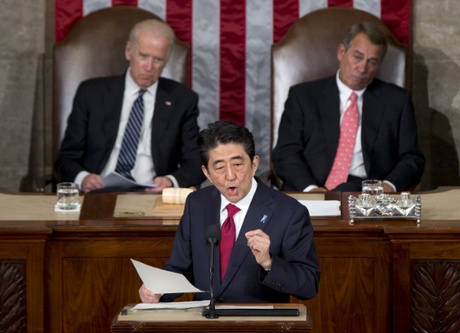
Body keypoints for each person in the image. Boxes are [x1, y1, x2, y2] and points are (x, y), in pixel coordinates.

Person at [139, 120, 320, 303]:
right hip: (204, 324)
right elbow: (180, 267)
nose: (230, 176)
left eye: (237, 165)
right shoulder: (197, 204)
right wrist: (158, 290)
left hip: (259, 325)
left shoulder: (289, 212)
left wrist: (269, 262)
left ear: (254, 164)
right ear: (207, 173)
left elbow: (308, 285)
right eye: (219, 168)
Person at [55, 19, 205, 193]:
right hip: (98, 194)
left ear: (166, 61)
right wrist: (83, 178)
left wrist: (171, 181)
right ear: (129, 52)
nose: (149, 67)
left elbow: (196, 161)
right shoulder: (91, 93)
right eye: (143, 56)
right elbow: (66, 158)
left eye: (157, 59)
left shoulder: (182, 99)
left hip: (152, 196)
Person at [272, 22, 425, 193]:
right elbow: (285, 153)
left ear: (379, 64)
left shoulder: (397, 101)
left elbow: (412, 158)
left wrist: (388, 186)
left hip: (366, 195)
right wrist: (311, 190)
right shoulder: (303, 96)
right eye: (357, 57)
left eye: (372, 62)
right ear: (341, 52)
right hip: (310, 190)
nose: (362, 68)